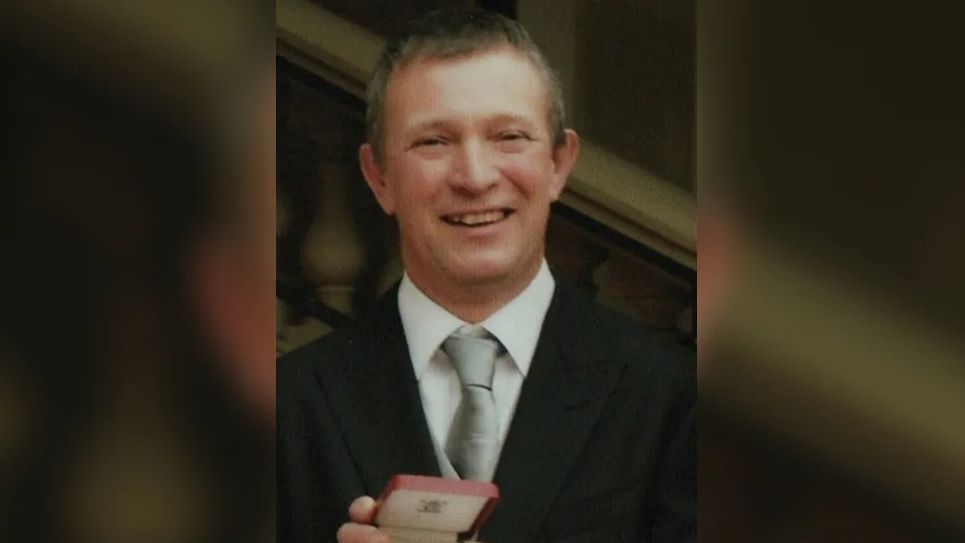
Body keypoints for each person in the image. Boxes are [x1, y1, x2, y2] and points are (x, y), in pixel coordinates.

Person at [277, 8, 695, 543]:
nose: (475, 178)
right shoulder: (287, 406)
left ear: (560, 165)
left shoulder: (672, 397)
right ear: (378, 176)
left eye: (509, 136)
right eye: (434, 141)